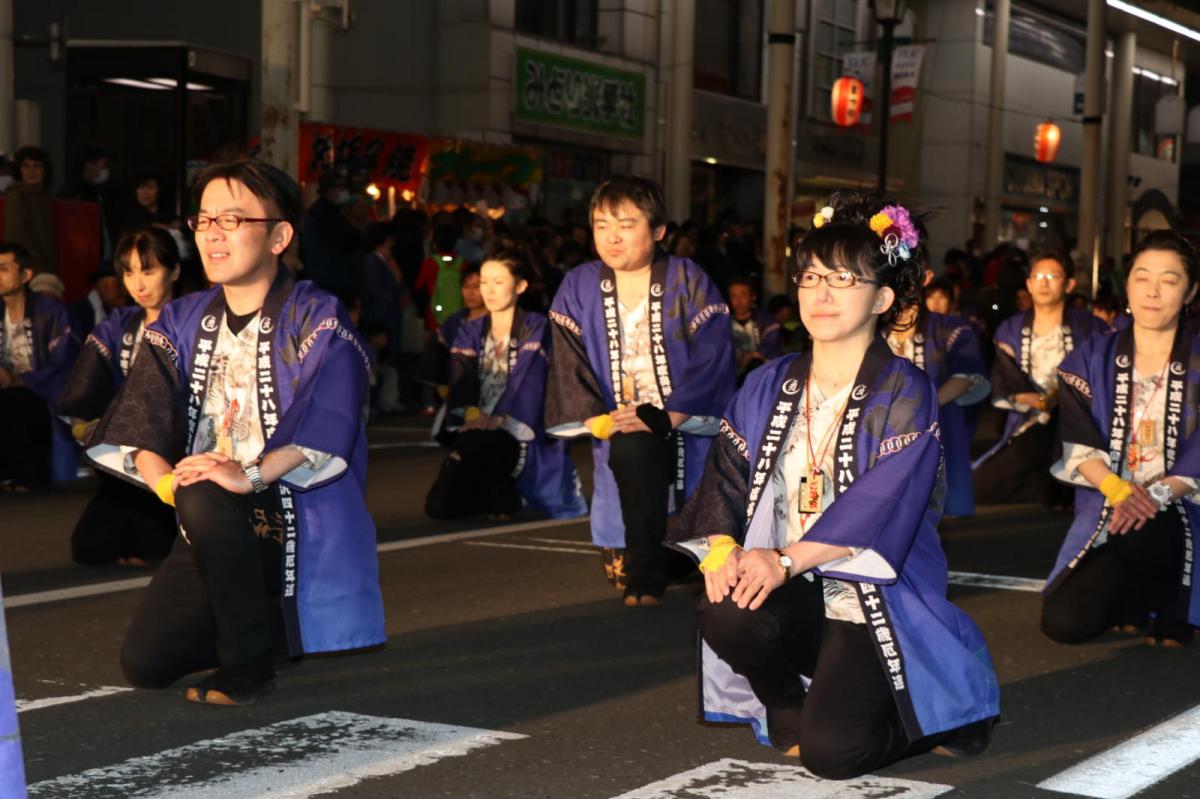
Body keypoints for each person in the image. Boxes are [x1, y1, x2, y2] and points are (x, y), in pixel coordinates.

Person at [666, 195, 999, 777]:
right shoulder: (768, 381)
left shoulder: (906, 389)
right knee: (723, 606)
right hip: (793, 582)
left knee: (834, 754)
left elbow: (882, 501)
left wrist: (783, 561)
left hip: (869, 598)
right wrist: (722, 549)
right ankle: (789, 706)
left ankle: (949, 712)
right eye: (812, 277)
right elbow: (725, 471)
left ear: (883, 298)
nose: (820, 293)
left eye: (843, 279)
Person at [84, 159, 385, 705]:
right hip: (207, 514)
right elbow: (143, 420)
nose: (213, 233)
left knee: (208, 490)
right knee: (146, 664)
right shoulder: (180, 318)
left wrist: (247, 473)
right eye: (203, 221)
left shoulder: (316, 314)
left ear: (279, 235)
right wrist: (170, 482)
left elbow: (331, 411)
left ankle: (248, 664)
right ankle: (261, 622)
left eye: (233, 219)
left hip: (291, 515)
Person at [545, 176, 736, 606]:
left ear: (659, 230)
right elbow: (566, 356)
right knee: (632, 452)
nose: (612, 237)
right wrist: (599, 417)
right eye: (601, 225)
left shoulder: (689, 279)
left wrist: (670, 414)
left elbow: (714, 350)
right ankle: (648, 564)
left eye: (626, 224)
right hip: (619, 426)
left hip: (685, 423)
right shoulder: (577, 286)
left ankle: (660, 565)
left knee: (701, 548)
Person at [1044, 231, 1200, 648]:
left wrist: (1158, 494)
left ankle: (1172, 606)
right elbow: (1077, 440)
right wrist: (1117, 489)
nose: (1152, 292)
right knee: (1063, 623)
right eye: (1141, 277)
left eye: (1169, 280)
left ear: (1190, 291)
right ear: (1126, 284)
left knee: (1147, 531)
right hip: (1114, 506)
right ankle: (1135, 595)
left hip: (1184, 504)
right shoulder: (1092, 356)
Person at [425, 249, 587, 521]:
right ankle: (499, 493)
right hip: (479, 425)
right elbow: (461, 377)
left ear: (521, 285)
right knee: (439, 507)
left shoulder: (537, 327)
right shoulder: (470, 329)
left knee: (481, 445)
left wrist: (500, 419)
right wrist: (473, 414)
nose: (488, 290)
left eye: (498, 282)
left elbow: (531, 383)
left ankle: (506, 495)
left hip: (524, 429)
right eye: (484, 282)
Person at [57, 228, 182, 565]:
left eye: (149, 270)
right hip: (130, 448)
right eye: (129, 272)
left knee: (154, 544)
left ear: (175, 271)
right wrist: (82, 421)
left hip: (181, 445)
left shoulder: (196, 320)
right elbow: (90, 372)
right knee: (89, 548)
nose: (138, 284)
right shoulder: (121, 323)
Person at [973, 250, 1108, 505]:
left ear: (1068, 284)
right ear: (1029, 284)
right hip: (1029, 421)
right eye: (1038, 276)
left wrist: (1065, 397)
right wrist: (1024, 397)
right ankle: (1047, 486)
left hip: (1077, 423)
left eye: (1053, 276)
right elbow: (1006, 379)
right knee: (981, 487)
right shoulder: (1010, 329)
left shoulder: (1091, 327)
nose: (1044, 282)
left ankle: (1052, 485)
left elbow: (1100, 376)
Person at [889, 263, 990, 518]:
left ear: (926, 277)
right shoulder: (869, 327)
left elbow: (966, 375)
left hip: (935, 426)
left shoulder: (950, 328)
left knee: (926, 515)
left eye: (906, 271)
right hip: (880, 432)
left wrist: (925, 404)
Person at [0, 243, 79, 490]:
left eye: (3, 269)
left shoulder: (50, 311)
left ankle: (26, 478)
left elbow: (63, 365)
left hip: (40, 396)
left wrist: (17, 379)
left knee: (15, 403)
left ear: (26, 275)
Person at [416, 265, 485, 420]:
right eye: (466, 286)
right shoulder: (455, 320)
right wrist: (442, 384)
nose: (470, 292)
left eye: (477, 286)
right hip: (458, 399)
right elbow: (437, 353)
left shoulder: (498, 321)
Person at [2, 146, 56, 274]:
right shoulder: (16, 196)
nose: (32, 171)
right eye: (26, 166)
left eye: (37, 166)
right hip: (29, 268)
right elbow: (16, 235)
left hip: (47, 266)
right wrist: (38, 264)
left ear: (45, 170)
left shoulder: (45, 197)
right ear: (19, 170)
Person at [728, 276, 781, 383]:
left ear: (753, 297)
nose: (738, 301)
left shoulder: (767, 320)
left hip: (762, 377)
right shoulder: (724, 323)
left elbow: (772, 346)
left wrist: (752, 355)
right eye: (733, 296)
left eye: (743, 295)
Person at [415, 221, 466, 331]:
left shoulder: (429, 263)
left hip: (436, 313)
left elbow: (419, 286)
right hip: (459, 312)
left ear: (435, 243)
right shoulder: (463, 263)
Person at [69, 263, 126, 339]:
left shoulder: (121, 313)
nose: (125, 291)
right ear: (101, 287)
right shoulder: (77, 313)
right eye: (118, 286)